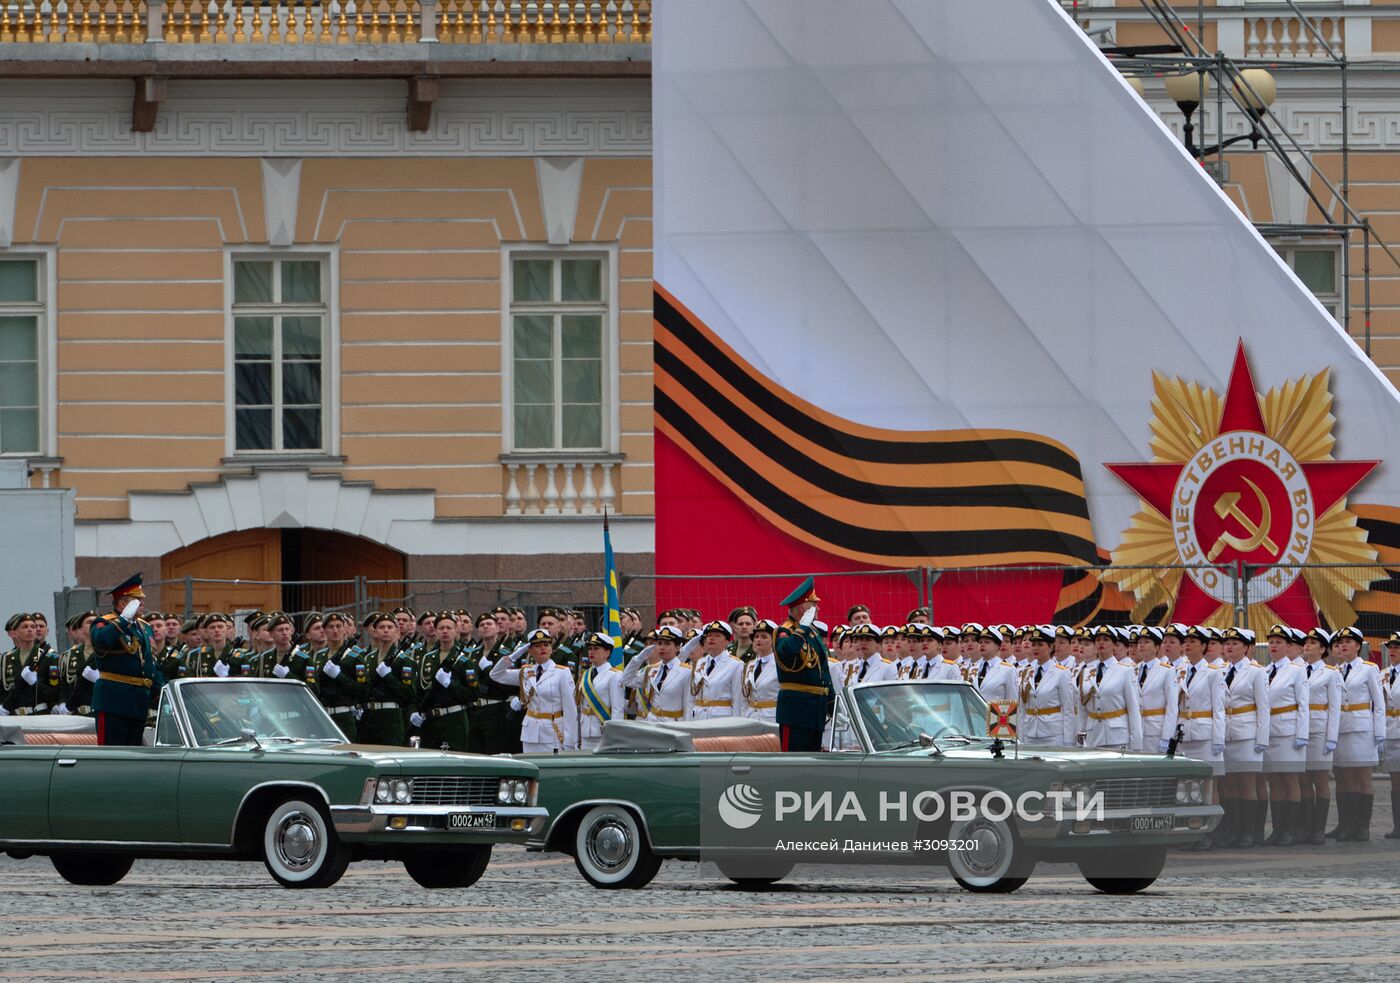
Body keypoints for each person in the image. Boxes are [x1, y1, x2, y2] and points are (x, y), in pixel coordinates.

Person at [86, 574, 165, 746]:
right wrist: (123, 621)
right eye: (137, 600)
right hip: (114, 701)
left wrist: (162, 694)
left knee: (133, 756)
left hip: (138, 702)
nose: (143, 603)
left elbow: (151, 662)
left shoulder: (144, 627)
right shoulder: (104, 623)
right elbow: (101, 642)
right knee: (112, 755)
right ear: (123, 604)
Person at [1329, 626, 1384, 841]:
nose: (1343, 646)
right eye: (1341, 642)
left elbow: (1378, 704)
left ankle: (1362, 826)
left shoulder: (1368, 669)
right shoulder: (1337, 670)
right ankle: (1347, 823)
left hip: (1362, 727)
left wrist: (1379, 732)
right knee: (1344, 777)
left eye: (1348, 642)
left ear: (1358, 646)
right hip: (1341, 727)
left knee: (1362, 778)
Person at [1217, 627, 1269, 848]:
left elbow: (1263, 707)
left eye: (1235, 643)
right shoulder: (1220, 671)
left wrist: (1262, 739)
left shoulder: (1256, 671)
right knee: (1228, 784)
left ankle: (1249, 831)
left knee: (1246, 783)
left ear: (1247, 648)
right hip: (1226, 732)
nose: (1229, 646)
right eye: (1227, 642)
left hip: (1247, 732)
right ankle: (1232, 828)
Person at [1261, 625, 1311, 846]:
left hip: (1289, 731)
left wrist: (1302, 733)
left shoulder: (1296, 670)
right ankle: (1278, 828)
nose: (1273, 645)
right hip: (1270, 732)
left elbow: (1303, 705)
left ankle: (1291, 829)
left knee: (1290, 780)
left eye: (1279, 642)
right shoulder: (1264, 671)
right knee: (1275, 781)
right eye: (1271, 642)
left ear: (1289, 646)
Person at [490, 627, 577, 753]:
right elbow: (495, 675)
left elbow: (570, 710)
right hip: (530, 733)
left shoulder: (562, 672)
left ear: (551, 648)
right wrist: (514, 656)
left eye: (546, 645)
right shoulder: (526, 671)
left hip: (553, 732)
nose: (543, 648)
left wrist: (570, 742)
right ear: (530, 650)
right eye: (538, 646)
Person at [774, 577, 834, 753]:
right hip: (796, 711)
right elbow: (787, 652)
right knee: (793, 762)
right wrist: (803, 628)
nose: (818, 609)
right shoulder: (785, 631)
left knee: (812, 762)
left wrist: (832, 705)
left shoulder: (813, 634)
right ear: (803, 608)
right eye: (814, 605)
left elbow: (824, 671)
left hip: (816, 710)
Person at [1177, 627, 1225, 848]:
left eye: (1193, 641)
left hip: (1205, 733)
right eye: (1186, 641)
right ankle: (1191, 830)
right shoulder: (1179, 670)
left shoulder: (1214, 672)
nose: (1188, 644)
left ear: (1204, 646)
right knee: (1187, 785)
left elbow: (1219, 708)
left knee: (1209, 784)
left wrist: (1218, 739)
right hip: (1183, 732)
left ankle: (1211, 832)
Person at [1301, 628, 1340, 845]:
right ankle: (1307, 826)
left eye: (1313, 643)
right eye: (1306, 642)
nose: (1307, 645)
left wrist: (1331, 737)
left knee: (1320, 778)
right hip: (1301, 730)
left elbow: (1334, 707)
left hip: (1319, 729)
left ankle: (1319, 828)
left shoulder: (1330, 673)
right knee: (1304, 779)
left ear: (1323, 649)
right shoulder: (1299, 670)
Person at [1078, 625, 1143, 751]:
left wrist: (1136, 744)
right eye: (1098, 640)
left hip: (1117, 736)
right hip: (1093, 735)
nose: (1101, 642)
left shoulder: (1125, 671)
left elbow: (1134, 709)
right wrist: (1080, 734)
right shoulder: (1086, 672)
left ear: (1114, 645)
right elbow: (1082, 709)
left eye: (1106, 640)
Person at [1018, 626, 1077, 747]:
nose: (1035, 648)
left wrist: (1068, 742)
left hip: (1053, 734)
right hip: (1030, 733)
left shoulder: (1061, 673)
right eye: (1033, 644)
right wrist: (1021, 736)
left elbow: (1068, 710)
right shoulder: (1027, 672)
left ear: (1051, 647)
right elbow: (1022, 708)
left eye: (1040, 644)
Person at [359, 612, 409, 746]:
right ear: (375, 631)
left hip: (390, 716)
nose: (385, 630)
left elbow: (408, 694)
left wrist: (388, 677)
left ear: (397, 631)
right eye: (381, 627)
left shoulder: (403, 659)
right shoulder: (368, 659)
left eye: (389, 627)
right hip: (369, 716)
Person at [577, 631, 625, 751]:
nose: (591, 652)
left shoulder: (615, 675)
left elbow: (617, 708)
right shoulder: (586, 674)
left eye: (596, 648)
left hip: (603, 732)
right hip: (585, 731)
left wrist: (615, 735)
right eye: (590, 648)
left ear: (607, 652)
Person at [1134, 627, 1179, 754]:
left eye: (1146, 642)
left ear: (1156, 648)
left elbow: (1172, 706)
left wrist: (1167, 737)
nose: (1141, 645)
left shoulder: (1167, 671)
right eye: (1140, 642)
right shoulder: (1133, 670)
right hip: (1137, 730)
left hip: (1156, 730)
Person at [690, 620, 744, 719]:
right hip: (699, 717)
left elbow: (738, 700)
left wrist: (737, 725)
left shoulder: (736, 665)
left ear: (727, 641)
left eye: (717, 635)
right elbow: (692, 696)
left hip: (722, 719)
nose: (711, 638)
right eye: (709, 635)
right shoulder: (700, 663)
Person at [742, 619, 780, 721]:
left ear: (773, 640)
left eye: (764, 637)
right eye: (756, 637)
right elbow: (744, 698)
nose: (759, 640)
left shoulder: (780, 665)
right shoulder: (749, 666)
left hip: (772, 718)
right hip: (750, 718)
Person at [1383, 632, 1400, 839]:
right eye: (1390, 647)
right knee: (1395, 781)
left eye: (1397, 647)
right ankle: (1398, 825)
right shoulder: (1383, 673)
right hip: (1390, 730)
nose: (1393, 650)